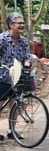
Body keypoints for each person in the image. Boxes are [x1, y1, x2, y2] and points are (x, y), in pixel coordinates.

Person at [0, 12, 33, 141]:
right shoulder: (2, 39)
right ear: (11, 25)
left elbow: (27, 56)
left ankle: (11, 131)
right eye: (19, 23)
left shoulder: (24, 41)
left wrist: (28, 62)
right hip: (3, 77)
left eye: (23, 23)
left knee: (15, 104)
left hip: (18, 77)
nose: (22, 25)